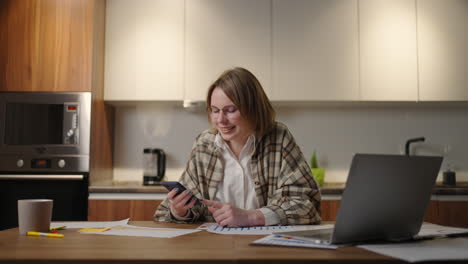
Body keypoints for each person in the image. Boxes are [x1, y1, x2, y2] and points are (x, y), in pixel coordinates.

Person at [154, 67, 321, 227]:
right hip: (213, 249)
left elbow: (306, 205)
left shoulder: (278, 138)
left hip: (265, 247)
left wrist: (251, 217)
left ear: (253, 109)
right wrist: (180, 211)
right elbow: (173, 211)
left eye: (230, 110)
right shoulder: (204, 144)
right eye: (215, 110)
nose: (220, 120)